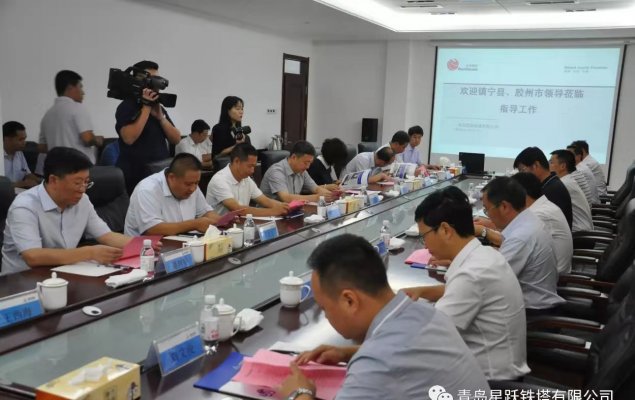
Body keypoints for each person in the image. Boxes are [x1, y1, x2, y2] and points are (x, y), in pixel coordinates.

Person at [279, 234, 490, 400]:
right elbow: (402, 354)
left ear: (349, 300)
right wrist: (346, 353)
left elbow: (387, 360)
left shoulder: (376, 366)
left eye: (324, 308)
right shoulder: (426, 313)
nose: (326, 316)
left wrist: (298, 393)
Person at [402, 186, 529, 380]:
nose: (424, 245)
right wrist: (423, 291)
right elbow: (463, 292)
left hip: (490, 382)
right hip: (498, 367)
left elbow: (429, 338)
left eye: (424, 236)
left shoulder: (471, 274)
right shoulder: (483, 253)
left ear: (445, 230)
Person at [2, 147, 132, 275]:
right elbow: (33, 256)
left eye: (86, 182)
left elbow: (107, 236)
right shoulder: (25, 206)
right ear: (53, 180)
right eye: (77, 183)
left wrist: (142, 245)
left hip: (63, 274)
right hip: (21, 280)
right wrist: (90, 252)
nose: (83, 189)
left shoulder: (83, 201)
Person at [478, 177, 564, 314]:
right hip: (530, 302)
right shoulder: (529, 220)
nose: (487, 215)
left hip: (532, 312)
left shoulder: (521, 236)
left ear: (504, 207)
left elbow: (489, 282)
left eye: (486, 210)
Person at [115, 60, 182, 194]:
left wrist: (161, 118)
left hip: (159, 172)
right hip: (136, 175)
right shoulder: (127, 106)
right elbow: (129, 138)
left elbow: (176, 139)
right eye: (152, 79)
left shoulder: (158, 107)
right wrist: (146, 107)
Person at [124, 153, 221, 236]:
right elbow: (152, 229)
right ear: (171, 177)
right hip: (147, 249)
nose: (193, 189)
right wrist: (195, 224)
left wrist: (223, 222)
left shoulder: (192, 184)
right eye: (188, 184)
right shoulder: (147, 189)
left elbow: (205, 212)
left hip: (183, 243)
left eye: (196, 183)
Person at [511, 172, 573, 274]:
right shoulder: (543, 205)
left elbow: (516, 244)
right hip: (549, 268)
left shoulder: (539, 214)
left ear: (523, 195)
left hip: (554, 276)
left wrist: (486, 232)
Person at [39, 70, 103, 163]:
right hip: (79, 166)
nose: (83, 92)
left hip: (57, 167)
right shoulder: (77, 107)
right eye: (80, 87)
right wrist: (97, 140)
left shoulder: (47, 115)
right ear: (70, 87)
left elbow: (42, 147)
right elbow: (87, 138)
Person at [207, 144, 289, 216]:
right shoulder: (219, 180)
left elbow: (265, 201)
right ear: (236, 161)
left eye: (254, 166)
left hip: (240, 224)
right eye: (250, 166)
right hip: (219, 228)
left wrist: (285, 207)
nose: (252, 171)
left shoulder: (247, 179)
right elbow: (237, 209)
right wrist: (274, 212)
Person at [513, 146, 572, 229]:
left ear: (535, 165)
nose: (521, 175)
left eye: (522, 170)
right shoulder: (550, 183)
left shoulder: (552, 190)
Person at [260, 141, 337, 202]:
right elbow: (286, 198)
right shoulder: (276, 171)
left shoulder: (302, 171)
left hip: (290, 211)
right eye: (305, 163)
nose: (308, 167)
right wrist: (317, 197)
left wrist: (330, 195)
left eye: (310, 163)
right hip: (268, 214)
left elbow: (316, 188)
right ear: (294, 157)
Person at [549, 150, 594, 232]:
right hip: (581, 229)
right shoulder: (568, 179)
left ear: (562, 166)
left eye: (551, 162)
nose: (548, 165)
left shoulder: (564, 184)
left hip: (579, 233)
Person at [3, 121, 40, 188]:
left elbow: (27, 174)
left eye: (24, 139)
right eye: (20, 139)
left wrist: (41, 181)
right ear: (7, 139)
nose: (24, 143)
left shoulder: (19, 153)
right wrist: (19, 184)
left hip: (20, 191)